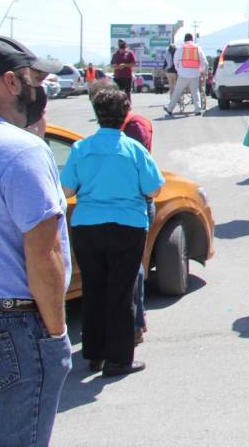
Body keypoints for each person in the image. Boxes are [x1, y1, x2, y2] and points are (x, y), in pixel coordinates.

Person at [0, 36, 72, 446]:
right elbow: (44, 254)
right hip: (12, 329)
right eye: (30, 78)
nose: (37, 88)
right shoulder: (21, 151)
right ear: (10, 82)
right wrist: (56, 335)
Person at [61, 88, 165, 376]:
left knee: (94, 289)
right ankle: (119, 359)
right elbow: (154, 188)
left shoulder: (81, 149)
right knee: (121, 292)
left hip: (87, 227)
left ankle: (93, 353)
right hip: (127, 226)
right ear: (124, 115)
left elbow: (67, 189)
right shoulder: (134, 150)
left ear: (97, 115)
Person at [164, 33, 206, 116]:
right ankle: (197, 109)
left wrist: (178, 70)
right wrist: (201, 70)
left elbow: (175, 61)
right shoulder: (197, 48)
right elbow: (203, 60)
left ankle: (169, 109)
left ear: (185, 39)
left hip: (183, 74)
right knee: (195, 91)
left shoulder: (180, 48)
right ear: (192, 39)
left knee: (177, 91)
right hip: (195, 73)